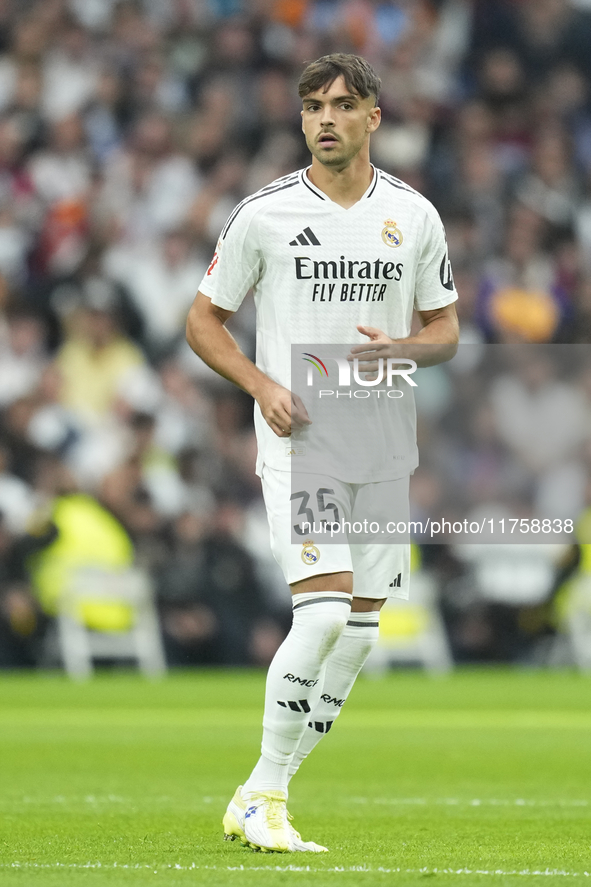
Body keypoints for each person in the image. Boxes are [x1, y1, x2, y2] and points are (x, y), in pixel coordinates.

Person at [186, 53, 459, 854]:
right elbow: (204, 320)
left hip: (381, 443)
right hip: (303, 441)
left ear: (373, 116)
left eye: (342, 105)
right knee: (327, 609)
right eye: (312, 107)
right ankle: (264, 795)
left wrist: (400, 348)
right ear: (301, 119)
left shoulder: (413, 215)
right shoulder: (263, 213)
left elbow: (443, 331)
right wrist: (260, 384)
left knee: (364, 632)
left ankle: (264, 791)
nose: (325, 119)